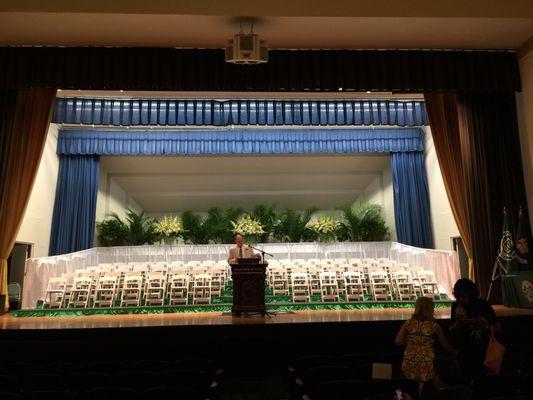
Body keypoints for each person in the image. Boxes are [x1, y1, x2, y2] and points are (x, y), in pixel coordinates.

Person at [395, 297, 456, 396]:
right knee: (425, 391)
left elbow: (398, 341)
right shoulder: (434, 326)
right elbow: (445, 345)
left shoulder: (408, 323)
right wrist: (456, 352)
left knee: (407, 390)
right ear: (431, 309)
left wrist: (412, 344)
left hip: (410, 360)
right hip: (427, 362)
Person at [449, 278, 500, 381]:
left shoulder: (483, 305)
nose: (461, 300)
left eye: (463, 296)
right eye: (458, 297)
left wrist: (483, 326)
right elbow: (451, 331)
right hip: (463, 354)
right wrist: (458, 323)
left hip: (482, 353)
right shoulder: (456, 306)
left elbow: (498, 328)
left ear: (470, 292)